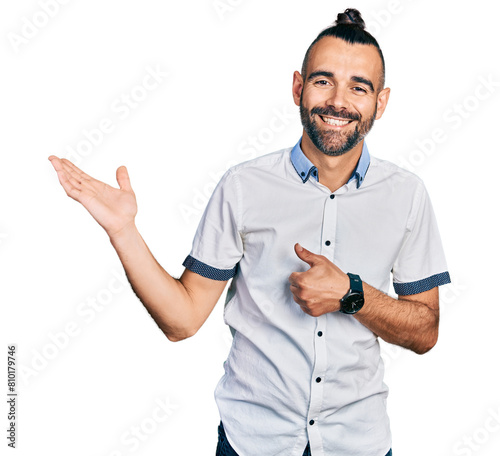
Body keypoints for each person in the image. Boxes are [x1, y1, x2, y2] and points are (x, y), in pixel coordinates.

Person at [49, 8, 450, 456]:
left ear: (381, 101)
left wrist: (351, 293)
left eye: (359, 86)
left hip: (359, 443)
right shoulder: (242, 188)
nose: (339, 101)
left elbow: (425, 330)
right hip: (252, 442)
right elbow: (181, 321)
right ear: (298, 87)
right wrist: (123, 231)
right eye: (323, 81)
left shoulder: (407, 195)